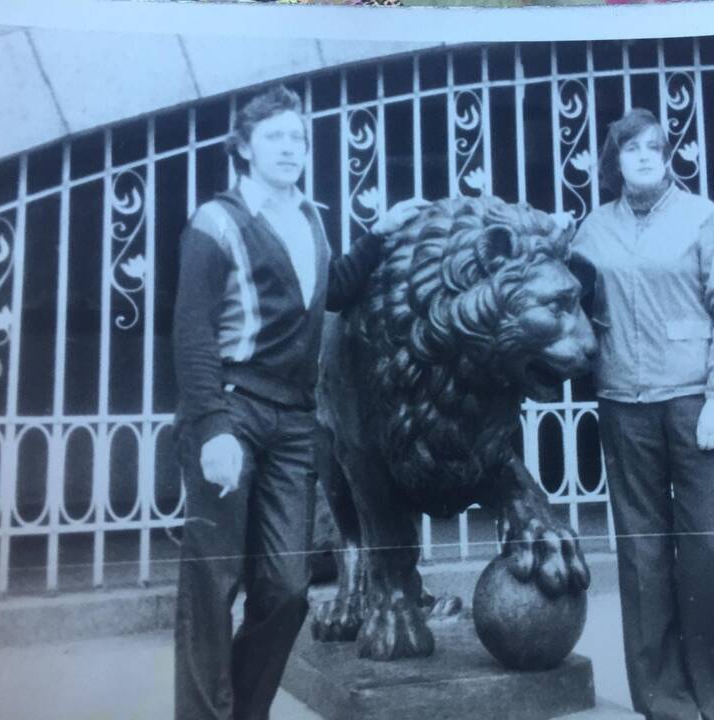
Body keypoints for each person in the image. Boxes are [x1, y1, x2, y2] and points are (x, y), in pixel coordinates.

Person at [172, 85, 426, 720]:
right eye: (276, 137)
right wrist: (211, 429)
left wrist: (379, 235)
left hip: (292, 420)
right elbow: (193, 331)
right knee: (212, 586)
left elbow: (329, 293)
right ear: (244, 147)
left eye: (298, 138)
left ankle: (241, 711)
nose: (290, 148)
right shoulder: (217, 221)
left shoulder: (309, 216)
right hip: (229, 409)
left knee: (287, 589)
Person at [572, 109, 714, 720]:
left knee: (708, 552)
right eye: (631, 149)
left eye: (654, 147)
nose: (644, 157)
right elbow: (573, 309)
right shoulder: (592, 231)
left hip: (694, 404)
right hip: (624, 405)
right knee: (643, 557)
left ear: (668, 156)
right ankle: (665, 703)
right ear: (615, 161)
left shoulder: (703, 218)